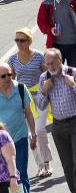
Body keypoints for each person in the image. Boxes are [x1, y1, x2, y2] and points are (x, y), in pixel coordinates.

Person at [36, 48, 76, 193]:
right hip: (58, 126)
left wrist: (73, 85)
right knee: (67, 165)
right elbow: (40, 105)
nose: (50, 66)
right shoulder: (44, 78)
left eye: (52, 63)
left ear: (60, 61)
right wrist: (44, 90)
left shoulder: (73, 72)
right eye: (47, 63)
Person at [8, 28, 53, 179]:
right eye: (17, 40)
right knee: (30, 134)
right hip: (23, 99)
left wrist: (48, 91)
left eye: (22, 40)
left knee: (40, 130)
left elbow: (48, 75)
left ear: (29, 41)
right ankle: (40, 165)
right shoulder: (13, 60)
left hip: (39, 97)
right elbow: (10, 81)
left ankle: (47, 162)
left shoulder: (39, 56)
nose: (19, 43)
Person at [0, 64, 36, 193]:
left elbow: (28, 112)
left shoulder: (20, 88)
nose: (8, 78)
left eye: (9, 74)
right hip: (2, 143)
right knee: (6, 177)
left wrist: (33, 133)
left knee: (20, 173)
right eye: (3, 76)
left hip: (20, 138)